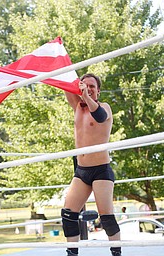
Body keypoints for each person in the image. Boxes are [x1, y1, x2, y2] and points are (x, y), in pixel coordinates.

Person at [62, 74, 121, 256]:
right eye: (85, 85)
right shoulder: (78, 107)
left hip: (101, 170)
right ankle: (72, 253)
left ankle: (116, 253)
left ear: (98, 90)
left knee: (106, 218)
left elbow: (100, 117)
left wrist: (87, 96)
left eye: (92, 86)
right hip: (82, 172)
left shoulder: (105, 108)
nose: (88, 88)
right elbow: (64, 83)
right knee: (68, 214)